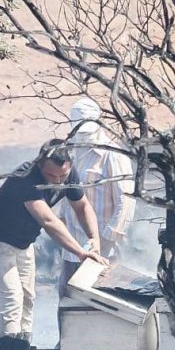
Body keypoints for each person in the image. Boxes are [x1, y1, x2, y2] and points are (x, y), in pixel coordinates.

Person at [0, 139, 108, 350]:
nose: (58, 181)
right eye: (51, 175)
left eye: (63, 175)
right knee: (13, 298)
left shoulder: (68, 174)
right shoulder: (25, 178)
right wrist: (80, 252)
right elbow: (48, 221)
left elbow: (82, 206)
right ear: (39, 165)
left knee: (29, 298)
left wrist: (95, 240)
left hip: (23, 242)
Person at [59, 97, 135, 295]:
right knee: (68, 302)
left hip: (104, 249)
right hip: (72, 247)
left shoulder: (113, 154)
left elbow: (126, 201)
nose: (83, 136)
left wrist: (107, 239)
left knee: (103, 302)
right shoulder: (71, 151)